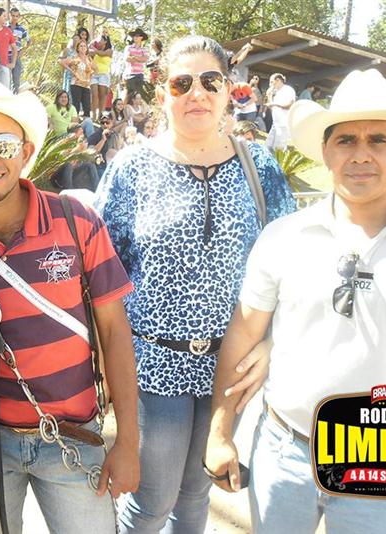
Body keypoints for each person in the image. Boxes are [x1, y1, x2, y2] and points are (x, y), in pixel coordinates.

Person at [205, 67, 386, 534]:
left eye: (379, 140)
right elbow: (244, 333)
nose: (361, 154)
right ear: (326, 151)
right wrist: (220, 432)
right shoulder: (283, 237)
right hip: (283, 452)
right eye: (346, 140)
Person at [95, 35, 295, 533]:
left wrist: (272, 343)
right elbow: (99, 271)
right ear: (162, 93)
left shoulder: (259, 166)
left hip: (232, 366)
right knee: (151, 503)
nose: (197, 93)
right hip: (153, 364)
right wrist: (102, 360)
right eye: (181, 83)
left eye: (210, 81)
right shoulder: (130, 168)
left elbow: (294, 264)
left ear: (229, 90)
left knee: (195, 497)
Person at [0, 77, 139, 534]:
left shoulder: (77, 222)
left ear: (26, 152)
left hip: (73, 437)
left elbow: (115, 332)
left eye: (4, 145)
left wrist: (128, 442)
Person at [61, 39, 95, 118]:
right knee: (76, 106)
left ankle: (86, 122)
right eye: (81, 46)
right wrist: (71, 70)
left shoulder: (89, 59)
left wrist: (91, 75)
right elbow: (62, 62)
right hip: (76, 84)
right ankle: (74, 122)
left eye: (84, 46)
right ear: (78, 48)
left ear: (86, 48)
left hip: (86, 85)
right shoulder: (74, 57)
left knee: (87, 106)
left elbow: (95, 69)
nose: (83, 48)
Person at [265, 72, 295, 150]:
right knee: (268, 146)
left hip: (283, 124)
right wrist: (269, 96)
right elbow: (273, 108)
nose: (270, 84)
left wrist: (275, 104)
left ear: (278, 80)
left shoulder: (288, 89)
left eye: (272, 82)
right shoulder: (277, 92)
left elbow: (290, 105)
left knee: (278, 149)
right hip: (275, 123)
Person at [90, 28, 113, 121]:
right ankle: (93, 114)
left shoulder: (109, 51)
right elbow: (88, 52)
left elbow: (101, 54)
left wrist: (94, 48)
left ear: (105, 41)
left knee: (102, 95)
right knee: (94, 94)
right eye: (97, 40)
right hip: (94, 74)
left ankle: (100, 114)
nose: (98, 42)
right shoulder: (94, 50)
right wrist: (91, 44)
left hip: (104, 74)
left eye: (100, 40)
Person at [7, 7, 29, 93]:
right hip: (5, 56)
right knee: (5, 79)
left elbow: (29, 41)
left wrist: (22, 51)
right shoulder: (4, 27)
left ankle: (14, 96)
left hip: (16, 57)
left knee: (16, 81)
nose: (15, 18)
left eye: (17, 16)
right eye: (13, 16)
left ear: (19, 17)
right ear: (9, 15)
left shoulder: (22, 29)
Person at [124, 28, 149, 97]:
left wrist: (134, 57)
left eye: (137, 36)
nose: (135, 37)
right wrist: (140, 58)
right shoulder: (128, 47)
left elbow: (145, 59)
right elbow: (127, 58)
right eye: (134, 36)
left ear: (141, 37)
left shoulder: (145, 49)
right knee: (129, 96)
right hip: (130, 74)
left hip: (140, 75)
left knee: (138, 96)